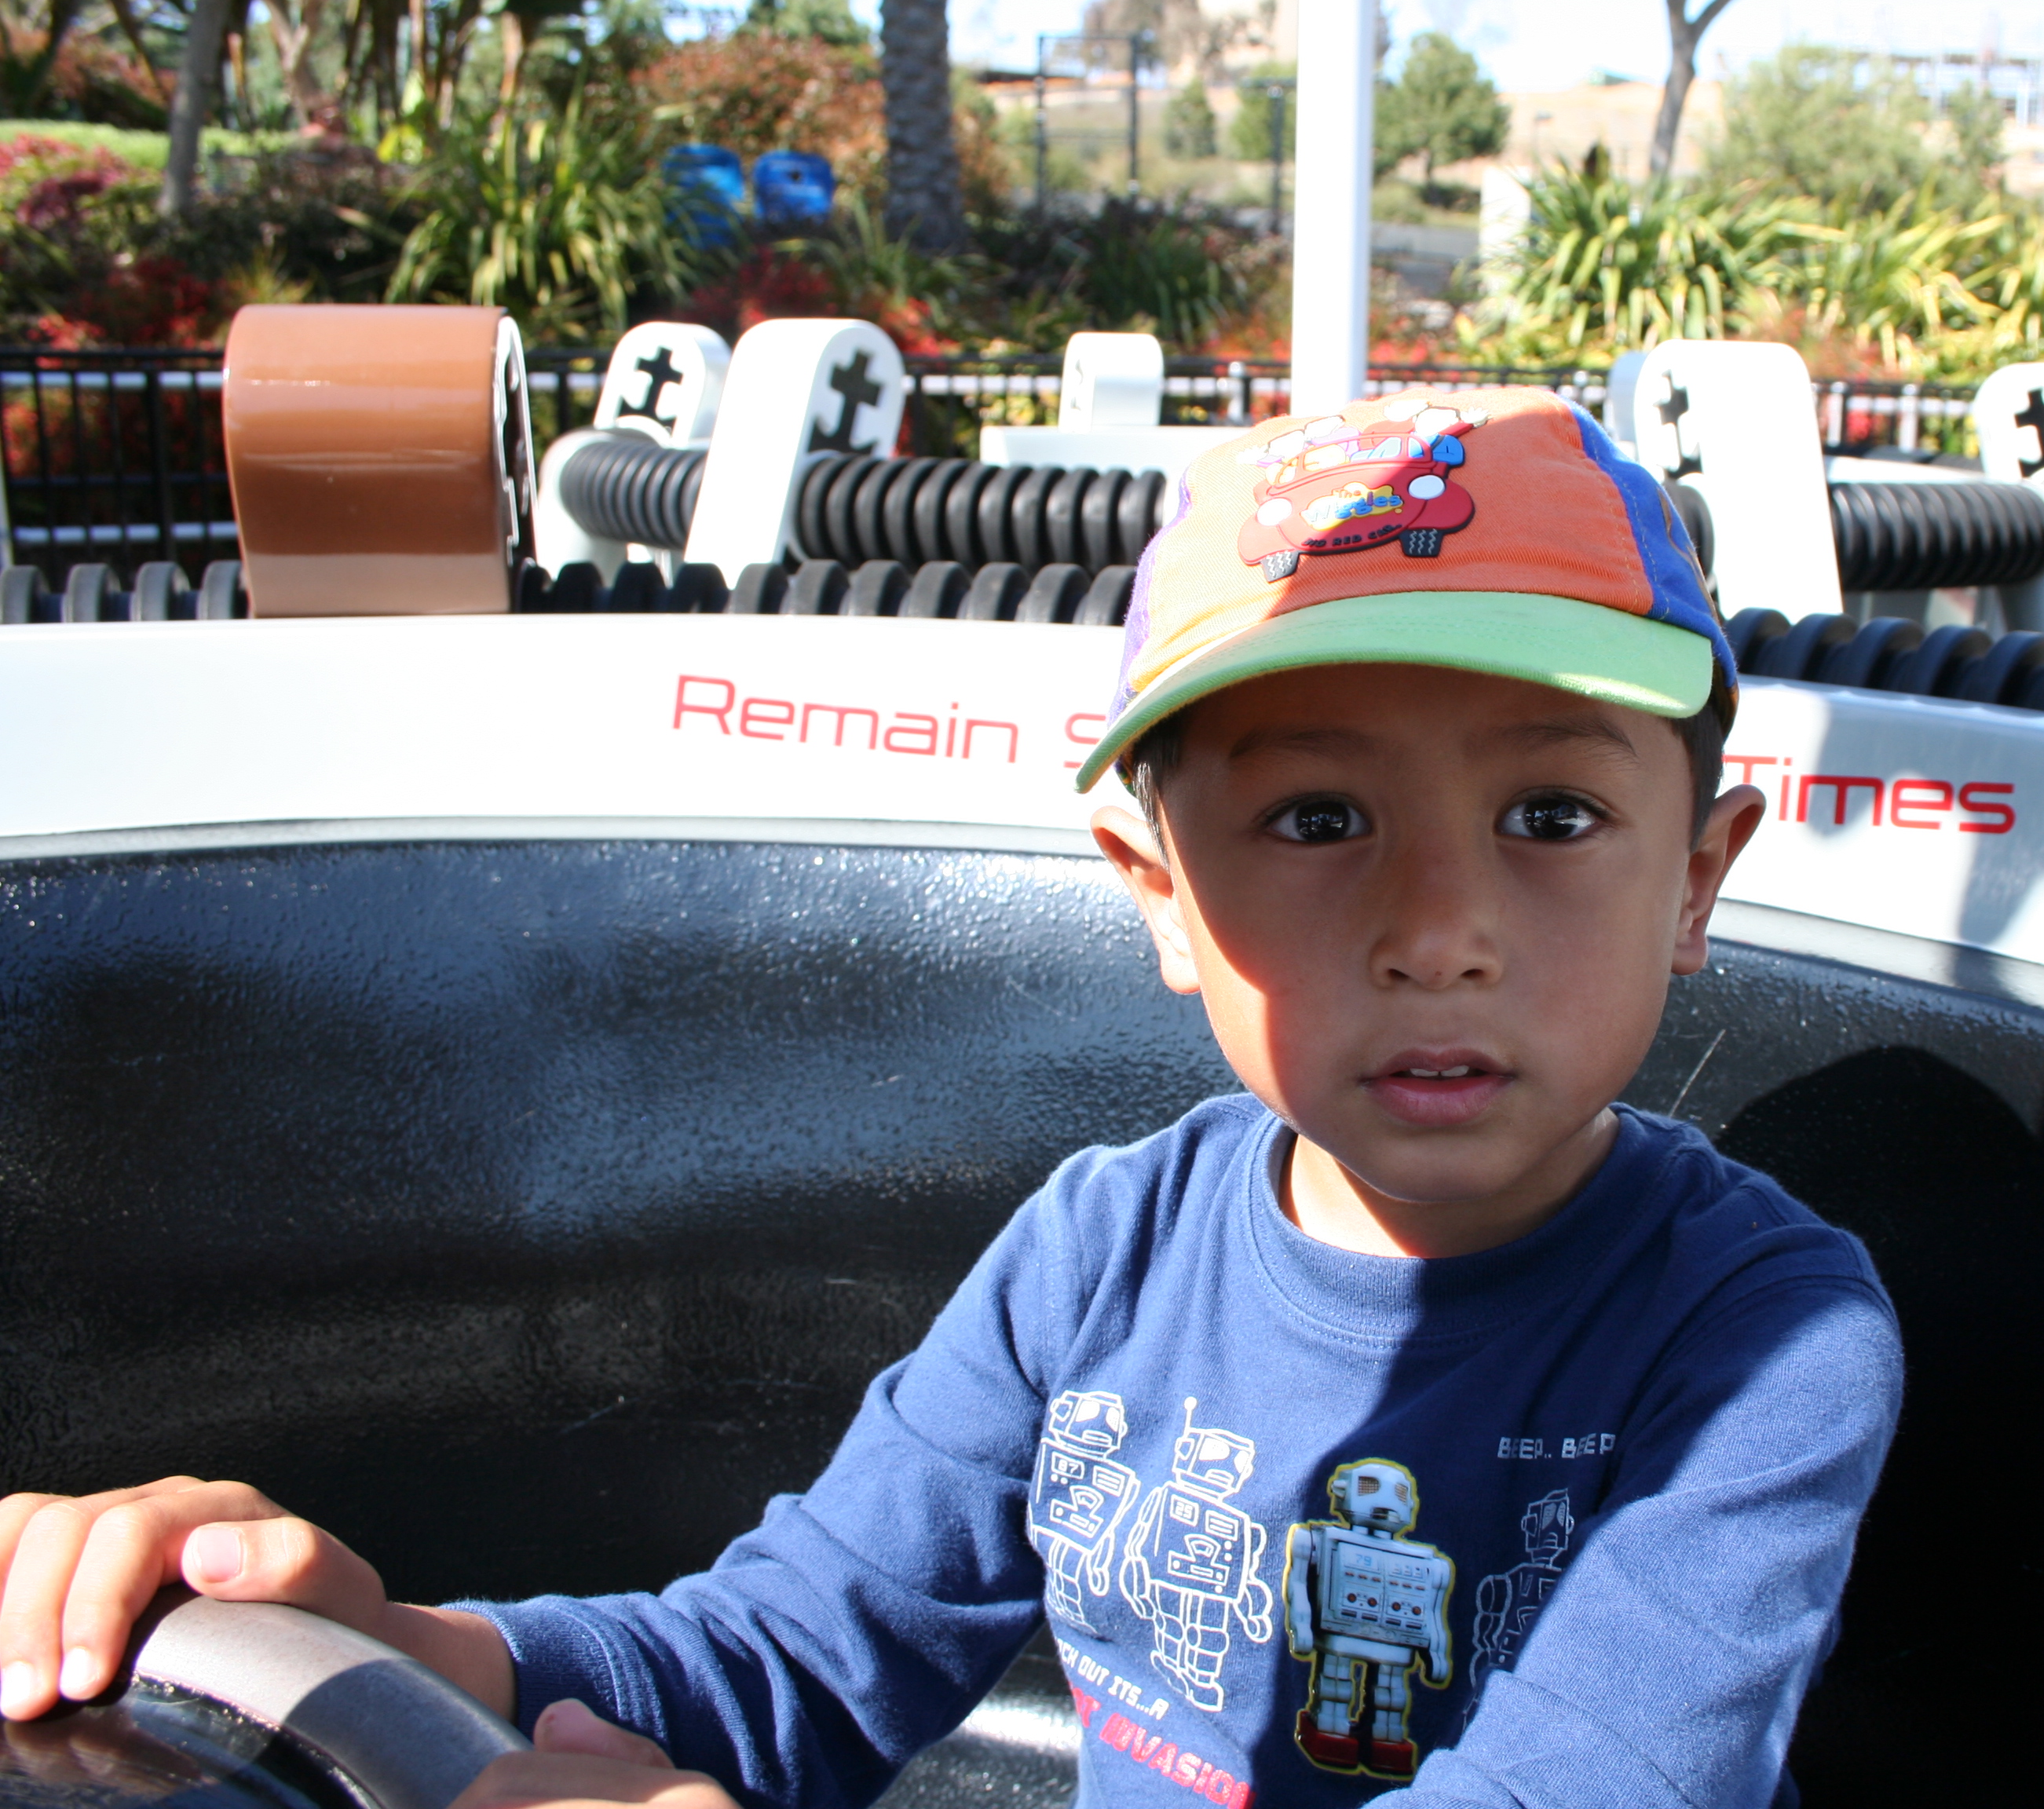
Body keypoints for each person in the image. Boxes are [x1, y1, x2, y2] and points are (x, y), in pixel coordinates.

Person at [0, 389, 1903, 1809]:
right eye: (1317, 818)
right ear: (1161, 896)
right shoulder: (1100, 1254)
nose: (1438, 932)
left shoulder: (1758, 1338)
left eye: (1551, 815)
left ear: (1696, 881)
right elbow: (787, 1662)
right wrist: (384, 1643)